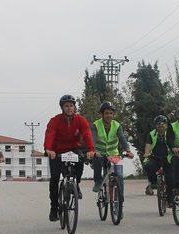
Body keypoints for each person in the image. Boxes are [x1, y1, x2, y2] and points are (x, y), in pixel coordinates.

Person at [43, 94, 95, 222]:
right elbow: (50, 134)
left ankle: (76, 184)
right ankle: (54, 208)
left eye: (71, 105)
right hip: (56, 151)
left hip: (73, 149)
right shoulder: (54, 120)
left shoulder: (81, 120)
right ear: (62, 108)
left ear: (74, 107)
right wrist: (48, 149)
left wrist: (91, 150)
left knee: (81, 160)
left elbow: (87, 134)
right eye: (66, 106)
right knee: (54, 178)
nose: (69, 108)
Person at [90, 102, 133, 194]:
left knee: (120, 176)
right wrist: (93, 151)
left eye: (111, 113)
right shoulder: (96, 125)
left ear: (113, 114)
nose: (108, 115)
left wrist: (128, 151)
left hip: (114, 155)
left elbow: (122, 138)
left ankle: (120, 199)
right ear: (102, 114)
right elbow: (92, 138)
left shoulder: (117, 125)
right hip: (100, 154)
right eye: (106, 113)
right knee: (97, 159)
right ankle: (98, 181)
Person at [143, 115, 169, 196]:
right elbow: (148, 146)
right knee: (148, 166)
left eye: (163, 123)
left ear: (166, 125)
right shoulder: (151, 134)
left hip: (168, 157)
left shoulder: (170, 133)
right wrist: (147, 153)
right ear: (155, 125)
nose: (161, 125)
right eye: (158, 124)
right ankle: (153, 183)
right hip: (155, 157)